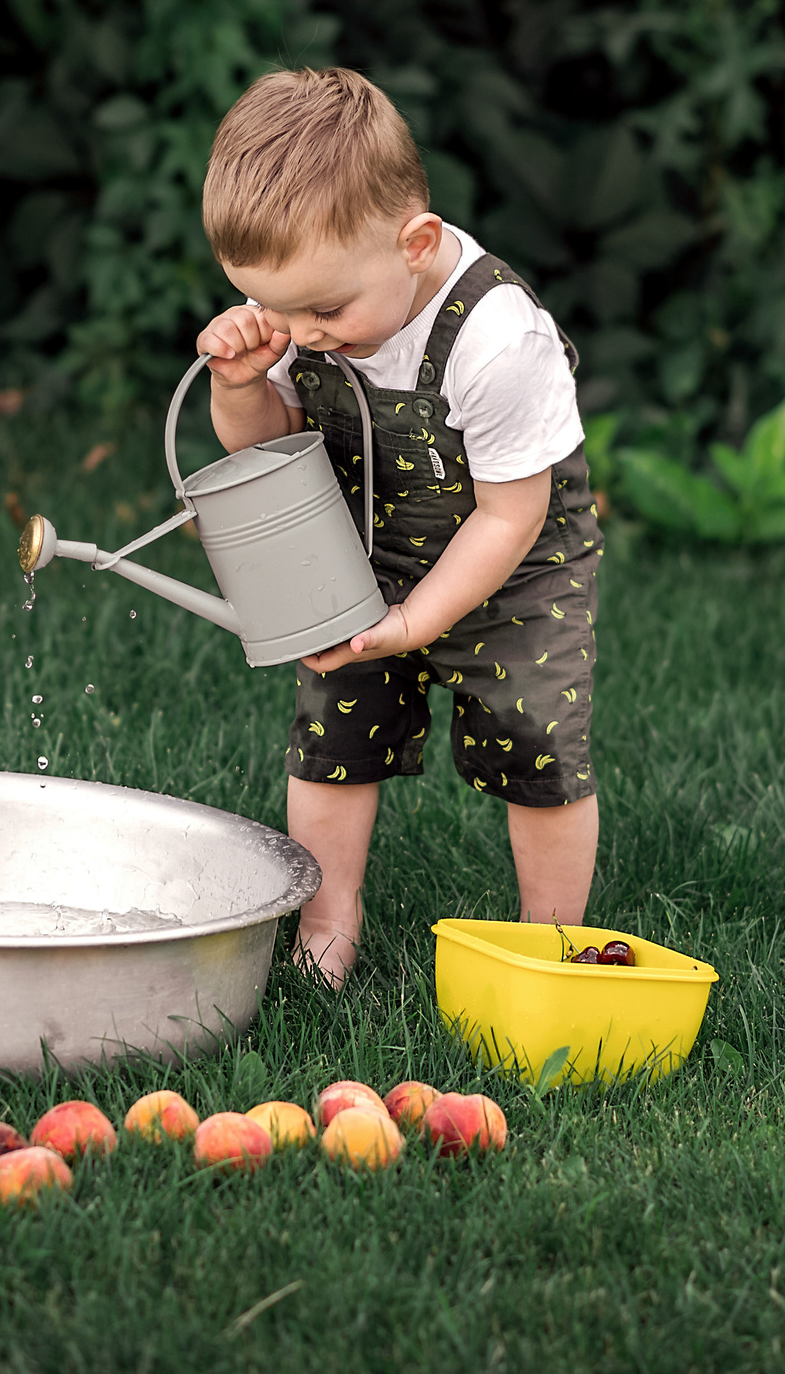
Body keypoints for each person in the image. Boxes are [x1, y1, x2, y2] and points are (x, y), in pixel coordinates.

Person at [192, 67, 602, 987]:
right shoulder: (307, 311)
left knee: (535, 740)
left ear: (415, 244)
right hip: (366, 554)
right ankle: (327, 917)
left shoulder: (497, 339)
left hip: (514, 568)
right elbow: (270, 450)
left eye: (323, 311)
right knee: (333, 736)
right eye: (275, 309)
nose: (302, 333)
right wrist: (242, 387)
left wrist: (419, 622)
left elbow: (511, 513)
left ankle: (552, 942)